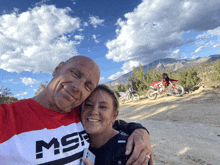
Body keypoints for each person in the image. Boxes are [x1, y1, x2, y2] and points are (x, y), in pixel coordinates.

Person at [0, 55, 153, 164]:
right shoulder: (5, 117)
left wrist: (140, 131)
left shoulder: (79, 114)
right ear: (58, 68)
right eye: (75, 73)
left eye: (87, 86)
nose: (77, 87)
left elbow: (110, 123)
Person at [80, 84, 153, 165]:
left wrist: (141, 131)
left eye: (103, 107)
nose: (94, 111)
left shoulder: (130, 149)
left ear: (114, 115)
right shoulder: (75, 139)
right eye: (88, 105)